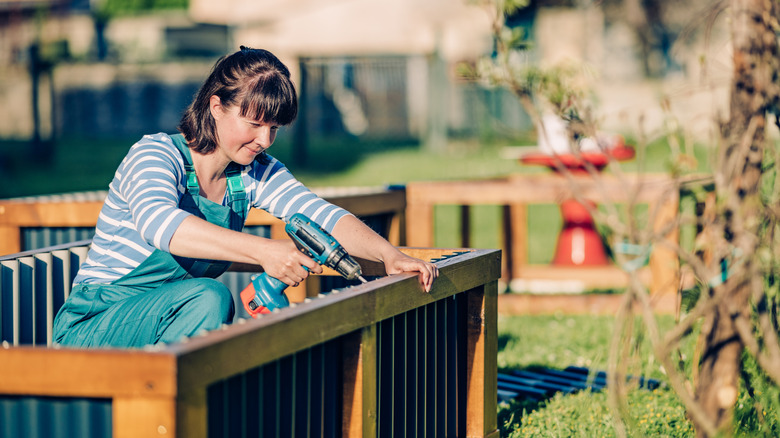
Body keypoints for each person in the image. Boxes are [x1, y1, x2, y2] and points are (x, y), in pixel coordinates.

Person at [52, 46, 438, 349]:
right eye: (254, 124)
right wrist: (265, 252)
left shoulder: (254, 172)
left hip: (170, 320)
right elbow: (160, 225)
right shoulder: (154, 154)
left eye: (274, 128)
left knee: (206, 301)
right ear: (216, 106)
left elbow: (319, 214)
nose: (265, 140)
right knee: (207, 298)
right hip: (94, 327)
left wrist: (390, 255)